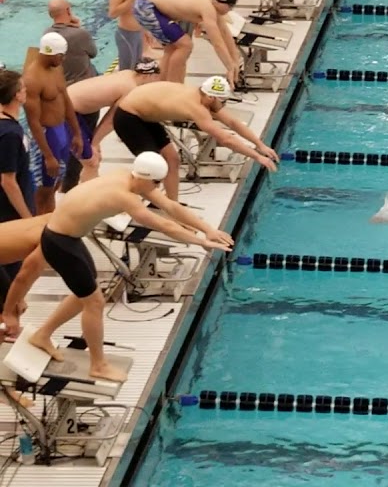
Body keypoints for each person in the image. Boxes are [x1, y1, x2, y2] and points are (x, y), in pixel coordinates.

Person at [15, 152, 232, 382]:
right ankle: (98, 365)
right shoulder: (124, 196)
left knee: (86, 294)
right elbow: (164, 224)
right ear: (147, 178)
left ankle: (43, 334)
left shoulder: (127, 176)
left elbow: (170, 206)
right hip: (60, 243)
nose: (157, 187)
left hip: (68, 238)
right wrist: (201, 242)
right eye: (156, 183)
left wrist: (208, 229)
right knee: (94, 301)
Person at [111, 78, 279, 200]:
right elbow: (226, 139)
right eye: (223, 101)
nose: (223, 105)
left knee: (172, 160)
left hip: (144, 115)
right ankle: (123, 204)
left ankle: (172, 206)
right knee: (152, 170)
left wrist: (260, 145)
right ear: (212, 97)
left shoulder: (203, 96)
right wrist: (257, 157)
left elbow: (232, 122)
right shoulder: (196, 107)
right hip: (128, 119)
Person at [66, 60, 162, 184]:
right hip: (65, 113)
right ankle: (89, 198)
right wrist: (94, 143)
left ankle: (88, 194)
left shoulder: (127, 74)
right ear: (147, 76)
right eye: (156, 79)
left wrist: (94, 142)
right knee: (92, 161)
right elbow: (111, 121)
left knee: (94, 159)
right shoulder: (130, 88)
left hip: (71, 109)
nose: (156, 83)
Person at [133, 0, 241, 85]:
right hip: (146, 7)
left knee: (172, 48)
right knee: (185, 45)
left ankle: (162, 84)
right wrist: (230, 67)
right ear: (221, 3)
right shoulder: (207, 7)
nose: (230, 10)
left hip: (147, 2)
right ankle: (175, 86)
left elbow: (225, 32)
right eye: (230, 7)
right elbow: (218, 43)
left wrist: (235, 61)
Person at [23, 34, 82, 215]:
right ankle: (37, 229)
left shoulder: (56, 68)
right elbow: (33, 121)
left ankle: (50, 222)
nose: (62, 59)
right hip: (47, 136)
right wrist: (48, 155)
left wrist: (76, 132)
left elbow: (65, 100)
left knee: (56, 183)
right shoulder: (32, 79)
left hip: (61, 131)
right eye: (60, 55)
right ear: (48, 53)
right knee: (44, 190)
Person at [44, 0, 98, 192]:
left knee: (72, 140)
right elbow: (93, 53)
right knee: (83, 143)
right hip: (84, 96)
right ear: (68, 9)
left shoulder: (47, 34)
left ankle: (67, 183)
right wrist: (78, 27)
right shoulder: (80, 35)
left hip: (59, 96)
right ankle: (71, 187)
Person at [0, 70, 34, 225]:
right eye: (22, 88)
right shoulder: (11, 134)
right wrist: (27, 219)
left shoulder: (8, 125)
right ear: (17, 96)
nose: (26, 90)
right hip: (9, 212)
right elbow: (8, 181)